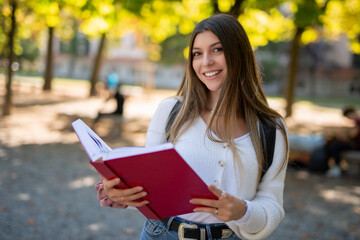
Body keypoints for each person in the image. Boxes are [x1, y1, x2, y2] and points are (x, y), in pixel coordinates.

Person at [94, 14, 289, 240]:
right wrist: (121, 196)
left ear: (239, 54)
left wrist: (243, 212)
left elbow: (272, 205)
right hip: (162, 234)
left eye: (217, 50)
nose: (206, 61)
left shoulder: (270, 128)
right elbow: (152, 187)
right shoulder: (170, 112)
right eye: (197, 54)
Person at [326, 105, 360, 178]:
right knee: (335, 145)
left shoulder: (358, 121)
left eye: (348, 117)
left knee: (335, 146)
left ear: (350, 113)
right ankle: (335, 166)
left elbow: (352, 135)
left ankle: (336, 166)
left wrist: (344, 136)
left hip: (357, 146)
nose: (349, 119)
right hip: (356, 144)